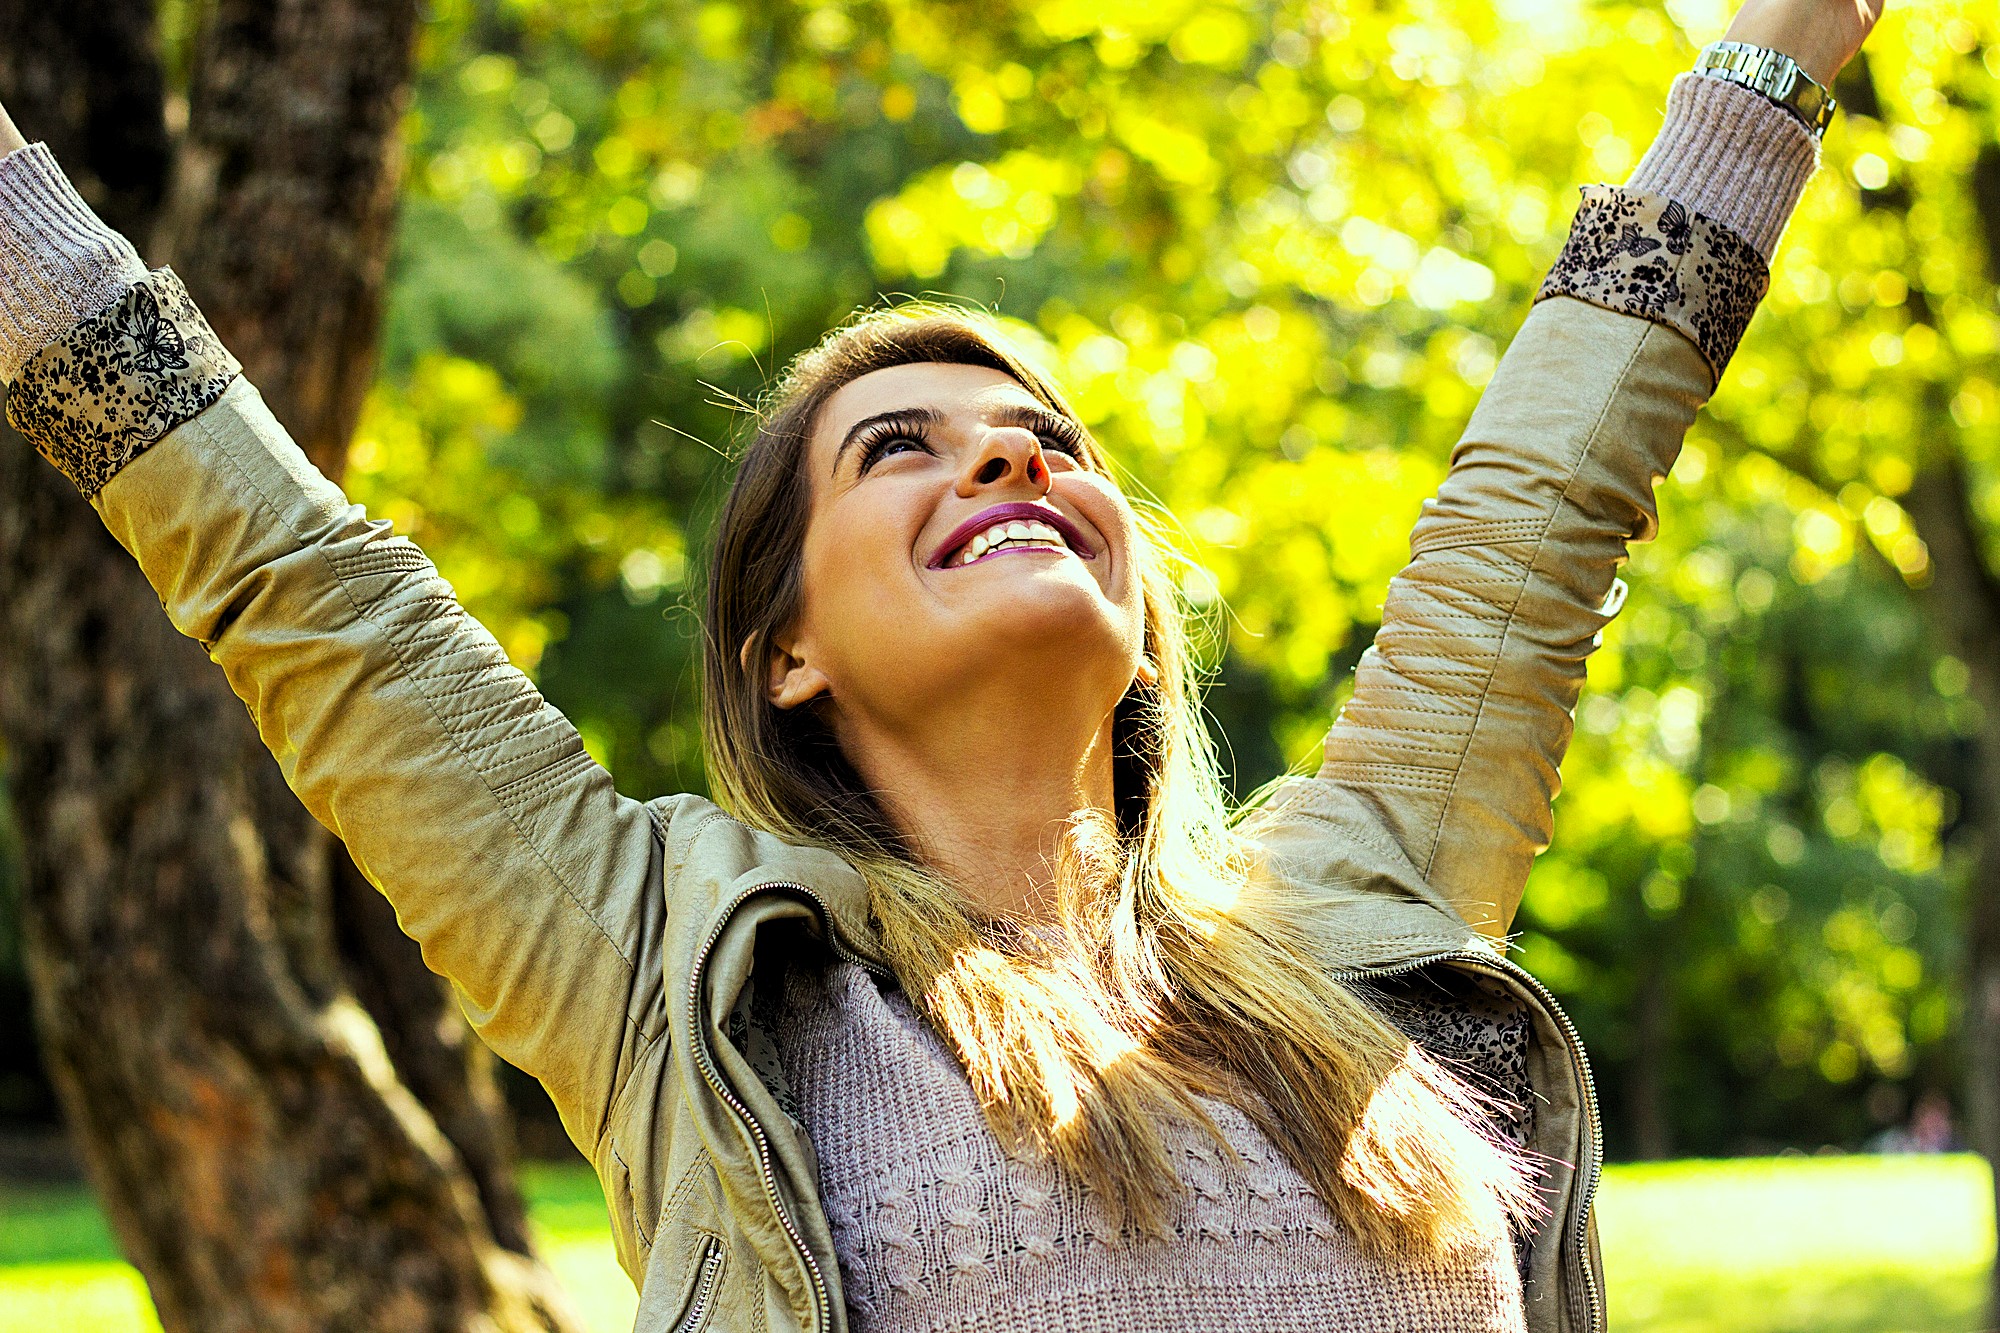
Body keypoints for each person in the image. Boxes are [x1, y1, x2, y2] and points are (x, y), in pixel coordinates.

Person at [0, 0, 1880, 1329]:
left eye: (1049, 438)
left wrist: (1765, 63)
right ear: (788, 651)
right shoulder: (654, 955)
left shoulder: (1356, 906)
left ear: (1137, 599)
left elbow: (1539, 511)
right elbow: (285, 561)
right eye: (897, 445)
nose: (1012, 454)